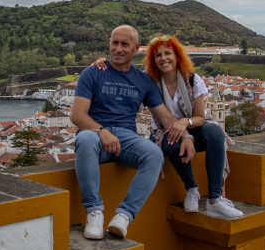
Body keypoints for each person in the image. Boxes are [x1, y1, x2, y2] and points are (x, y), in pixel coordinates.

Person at [95, 34, 242, 220]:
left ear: (177, 55)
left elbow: (199, 117)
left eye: (167, 53)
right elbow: (123, 73)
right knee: (172, 142)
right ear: (153, 60)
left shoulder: (192, 80)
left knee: (214, 131)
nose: (163, 58)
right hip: (168, 132)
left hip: (194, 128)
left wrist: (184, 124)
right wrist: (103, 63)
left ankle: (215, 199)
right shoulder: (149, 83)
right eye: (158, 55)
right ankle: (191, 188)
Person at [72, 25, 192, 240]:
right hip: (95, 134)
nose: (118, 49)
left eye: (124, 44)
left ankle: (124, 216)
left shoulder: (143, 80)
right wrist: (101, 130)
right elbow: (78, 115)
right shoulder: (92, 72)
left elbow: (165, 118)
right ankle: (94, 211)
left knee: (154, 155)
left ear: (136, 48)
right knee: (86, 139)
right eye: (114, 43)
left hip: (126, 138)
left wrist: (186, 134)